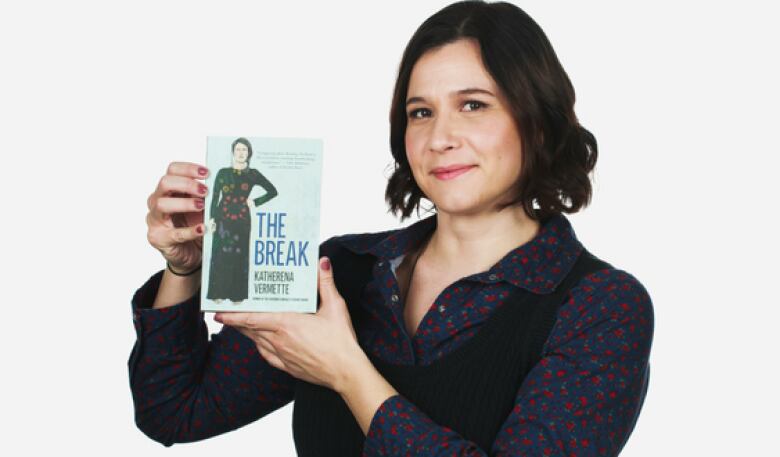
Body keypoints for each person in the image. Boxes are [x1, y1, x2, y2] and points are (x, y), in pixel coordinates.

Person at [130, 1, 654, 455]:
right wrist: (184, 269)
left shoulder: (601, 308)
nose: (440, 137)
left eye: (473, 105)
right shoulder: (340, 274)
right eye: (420, 112)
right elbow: (175, 412)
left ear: (537, 120)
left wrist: (348, 373)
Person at [205, 137, 278, 304]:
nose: (240, 153)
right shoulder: (223, 173)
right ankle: (218, 293)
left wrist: (255, 202)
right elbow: (215, 197)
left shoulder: (253, 174)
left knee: (240, 256)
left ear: (249, 153)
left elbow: (273, 191)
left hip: (242, 221)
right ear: (233, 152)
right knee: (220, 255)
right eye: (238, 149)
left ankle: (237, 295)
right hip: (222, 220)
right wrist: (212, 219)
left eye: (244, 150)